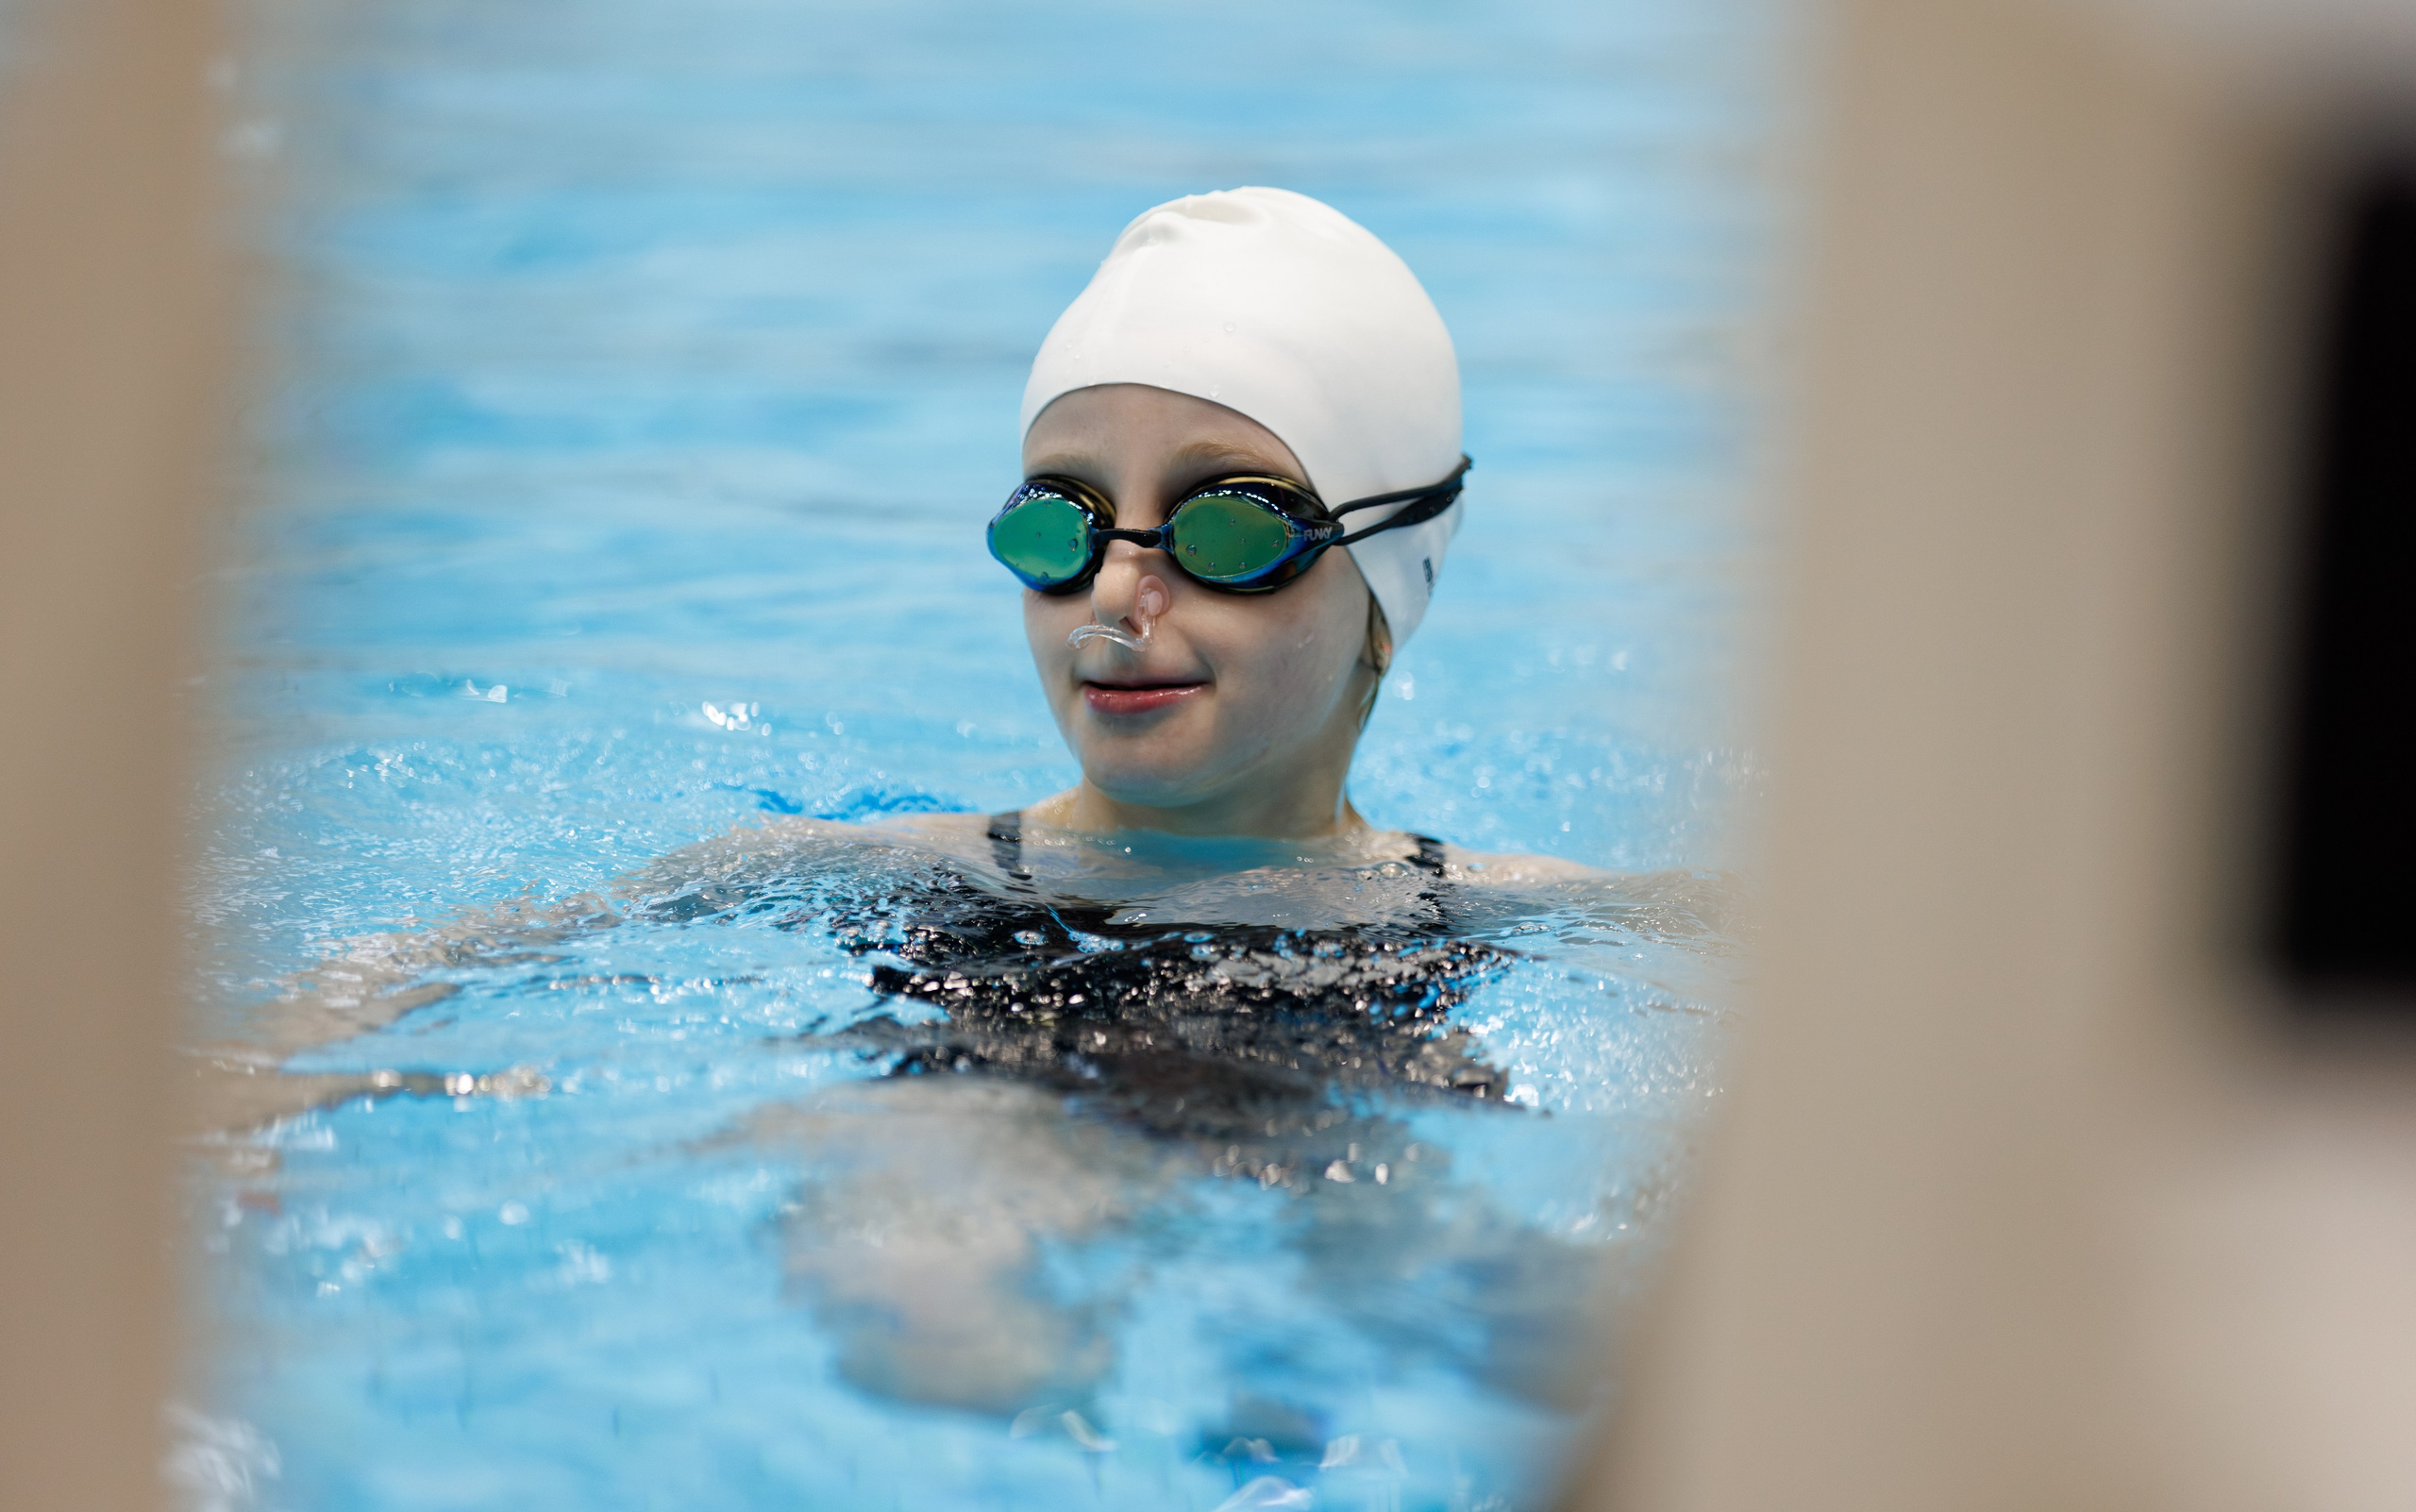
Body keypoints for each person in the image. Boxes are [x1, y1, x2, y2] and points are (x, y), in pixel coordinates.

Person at [208, 188, 1734, 1420]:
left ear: (1387, 592)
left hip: (1357, 1131)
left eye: (1225, 524)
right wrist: (277, 1078)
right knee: (949, 1329)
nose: (1120, 593)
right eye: (1059, 522)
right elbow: (487, 953)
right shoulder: (920, 868)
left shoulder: (1487, 903)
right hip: (979, 1119)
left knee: (1563, 1363)